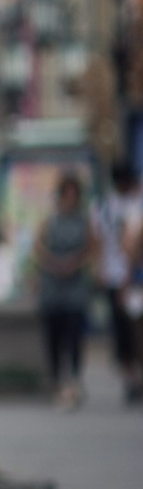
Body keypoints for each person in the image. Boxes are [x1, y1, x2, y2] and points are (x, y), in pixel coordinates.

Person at [34, 173, 97, 410]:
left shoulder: (85, 222)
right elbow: (38, 247)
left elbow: (92, 248)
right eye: (66, 194)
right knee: (53, 335)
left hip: (75, 287)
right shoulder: (50, 221)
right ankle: (55, 381)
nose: (69, 199)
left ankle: (74, 381)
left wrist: (74, 264)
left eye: (74, 195)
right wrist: (52, 262)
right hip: (53, 286)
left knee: (74, 335)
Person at [100, 168, 143, 403]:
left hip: (128, 281)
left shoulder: (137, 204)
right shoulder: (107, 206)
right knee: (125, 333)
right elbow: (126, 250)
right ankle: (131, 378)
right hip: (120, 279)